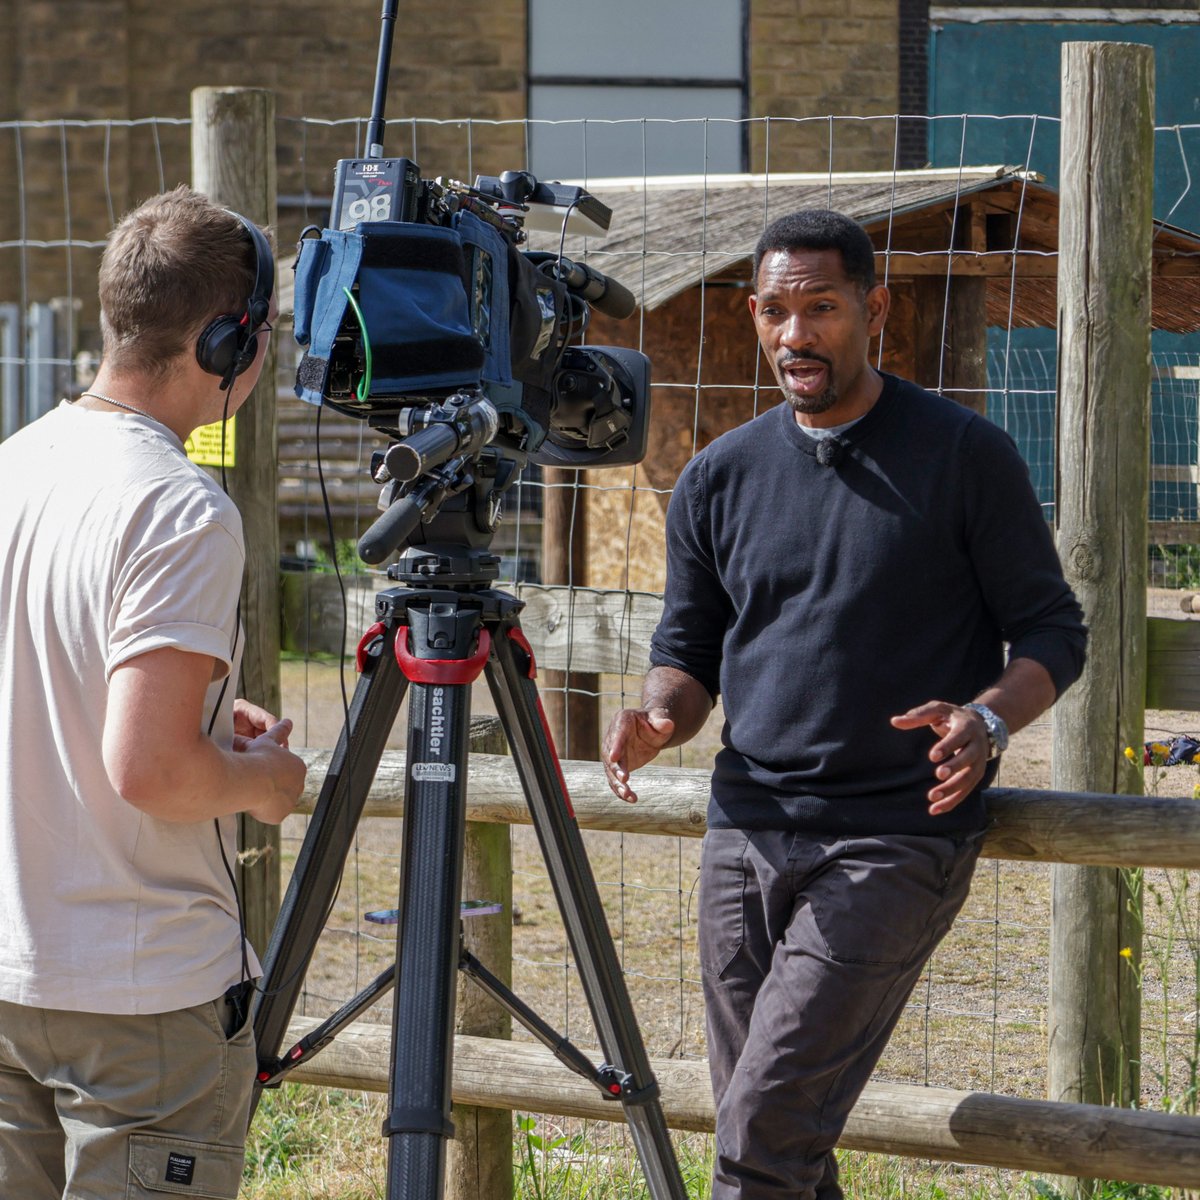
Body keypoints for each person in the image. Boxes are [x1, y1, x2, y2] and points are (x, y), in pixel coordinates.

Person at [601, 209, 1087, 1199]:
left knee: (762, 1126)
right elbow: (685, 653)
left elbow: (1053, 633)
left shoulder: (962, 456)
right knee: (774, 1135)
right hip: (747, 828)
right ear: (753, 316)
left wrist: (987, 721)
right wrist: (660, 713)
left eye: (820, 309)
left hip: (892, 837)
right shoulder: (716, 480)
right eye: (777, 311)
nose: (796, 335)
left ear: (875, 310)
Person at [0, 186, 308, 1199]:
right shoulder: (181, 507)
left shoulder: (16, 464)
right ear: (230, 342)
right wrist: (259, 783)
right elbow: (153, 771)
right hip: (141, 1001)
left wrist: (209, 726)